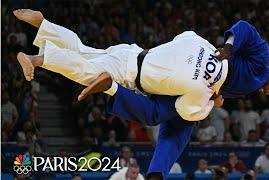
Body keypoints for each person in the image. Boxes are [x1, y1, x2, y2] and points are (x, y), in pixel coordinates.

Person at [13, 9, 226, 121]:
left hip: (131, 51)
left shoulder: (201, 45)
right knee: (87, 73)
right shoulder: (201, 88)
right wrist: (211, 105)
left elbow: (185, 34)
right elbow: (186, 110)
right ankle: (37, 60)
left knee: (81, 50)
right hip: (129, 73)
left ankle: (44, 24)